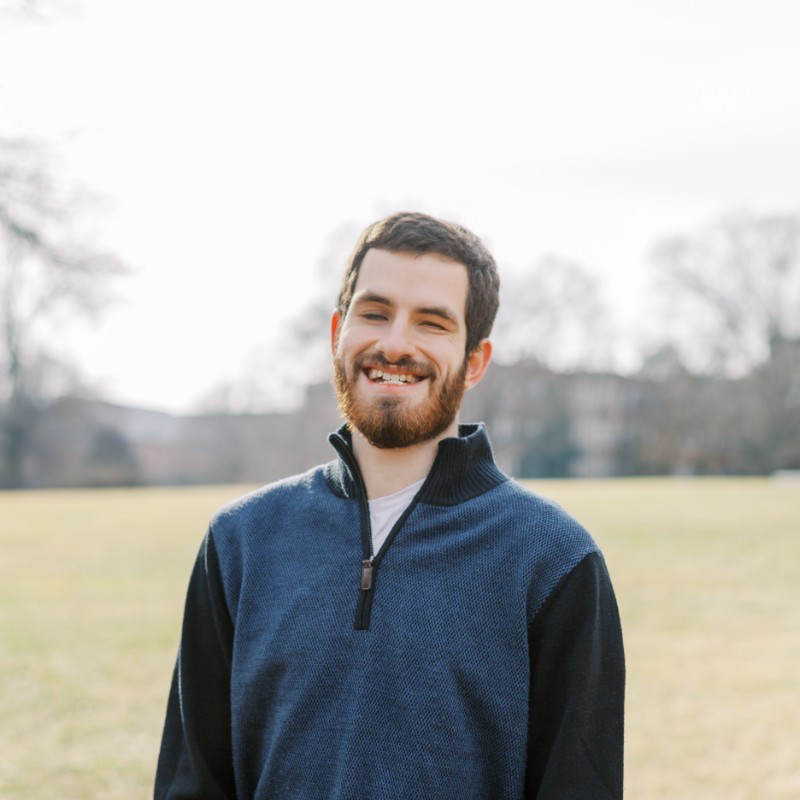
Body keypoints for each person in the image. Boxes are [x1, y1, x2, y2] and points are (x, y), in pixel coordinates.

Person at [154, 212, 625, 799]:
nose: (395, 343)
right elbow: (192, 783)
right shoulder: (240, 542)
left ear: (474, 361)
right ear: (337, 334)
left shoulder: (555, 562)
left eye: (431, 323)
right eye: (374, 314)